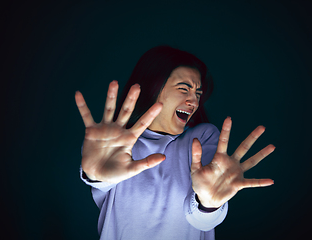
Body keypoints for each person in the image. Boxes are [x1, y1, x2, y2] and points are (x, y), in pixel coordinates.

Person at [75, 46, 275, 240]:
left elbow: (202, 222)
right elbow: (102, 181)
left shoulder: (202, 138)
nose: (194, 102)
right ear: (153, 87)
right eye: (184, 89)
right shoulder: (115, 145)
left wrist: (209, 204)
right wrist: (95, 176)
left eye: (197, 93)